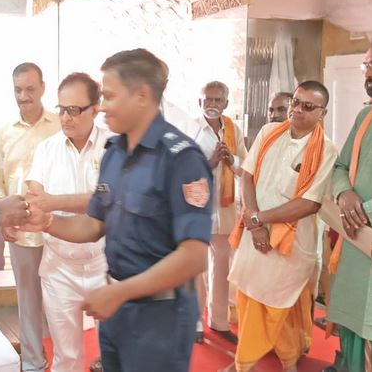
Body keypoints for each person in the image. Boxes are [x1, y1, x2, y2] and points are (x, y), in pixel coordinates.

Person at [19, 48, 213, 372]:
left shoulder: (181, 158)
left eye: (109, 96)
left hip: (160, 317)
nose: (103, 106)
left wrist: (120, 292)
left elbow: (193, 256)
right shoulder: (115, 153)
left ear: (142, 95)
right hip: (117, 308)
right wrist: (48, 222)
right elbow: (94, 224)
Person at [222, 81, 339, 372]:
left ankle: (249, 364)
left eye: (307, 106)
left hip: (291, 245)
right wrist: (254, 223)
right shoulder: (268, 132)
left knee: (279, 305)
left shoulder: (326, 150)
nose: (297, 109)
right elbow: (247, 177)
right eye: (295, 102)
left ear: (322, 113)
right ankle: (279, 361)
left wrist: (259, 219)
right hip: (255, 235)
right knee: (249, 296)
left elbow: (309, 203)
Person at [25, 72, 111, 372]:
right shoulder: (47, 148)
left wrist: (55, 201)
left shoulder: (113, 146)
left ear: (95, 109)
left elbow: (106, 199)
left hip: (106, 264)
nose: (65, 117)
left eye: (74, 110)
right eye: (61, 109)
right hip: (59, 266)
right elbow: (35, 196)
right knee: (66, 356)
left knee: (115, 353)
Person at [0, 62, 60, 372]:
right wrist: (3, 218)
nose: (24, 96)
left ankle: (65, 360)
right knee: (28, 298)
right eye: (18, 90)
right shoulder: (2, 131)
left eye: (30, 89)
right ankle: (33, 363)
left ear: (43, 88)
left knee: (60, 299)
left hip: (60, 229)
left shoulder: (59, 125)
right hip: (20, 230)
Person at [324, 42, 372, 372]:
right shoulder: (365, 115)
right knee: (354, 332)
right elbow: (340, 167)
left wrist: (364, 210)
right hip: (357, 242)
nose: (368, 72)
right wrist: (345, 195)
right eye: (366, 65)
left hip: (365, 234)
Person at [191, 81, 247, 344]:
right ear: (199, 102)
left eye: (217, 100)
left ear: (226, 103)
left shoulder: (233, 130)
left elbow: (246, 167)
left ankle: (220, 322)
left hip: (224, 210)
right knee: (196, 269)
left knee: (222, 268)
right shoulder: (190, 129)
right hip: (196, 209)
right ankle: (195, 323)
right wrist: (209, 163)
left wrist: (230, 160)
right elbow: (180, 169)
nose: (212, 104)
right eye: (208, 99)